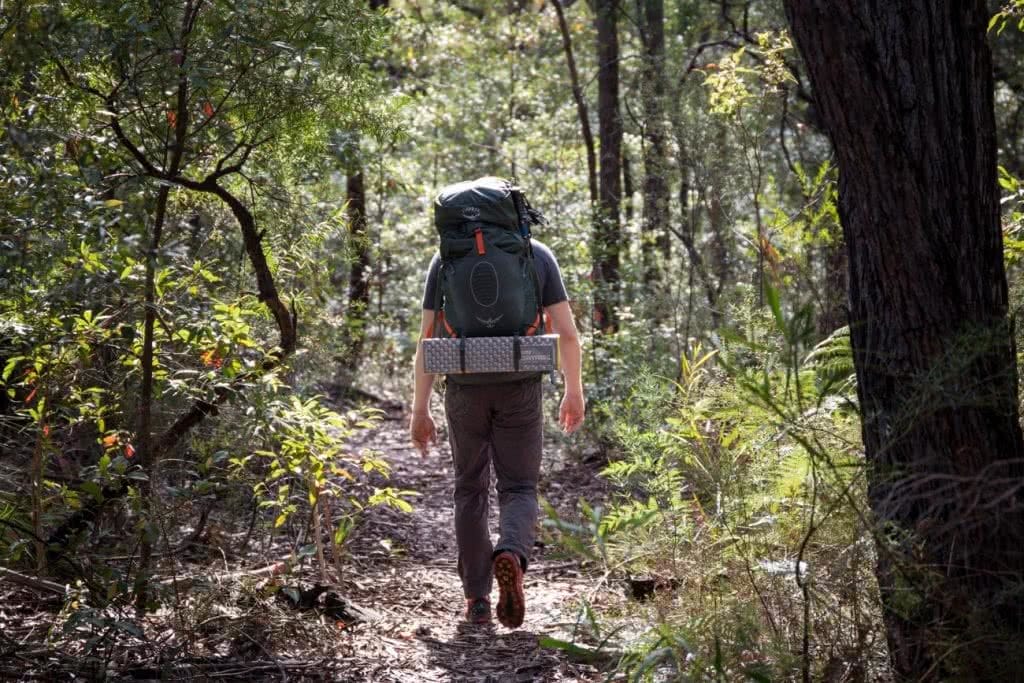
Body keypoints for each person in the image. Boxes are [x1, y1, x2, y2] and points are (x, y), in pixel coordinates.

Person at [409, 226, 585, 629]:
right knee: (519, 487)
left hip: (464, 389)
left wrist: (420, 409)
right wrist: (573, 390)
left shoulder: (446, 259)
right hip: (520, 387)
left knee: (469, 488)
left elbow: (426, 339)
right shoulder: (536, 255)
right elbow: (569, 335)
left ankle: (477, 599)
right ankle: (511, 553)